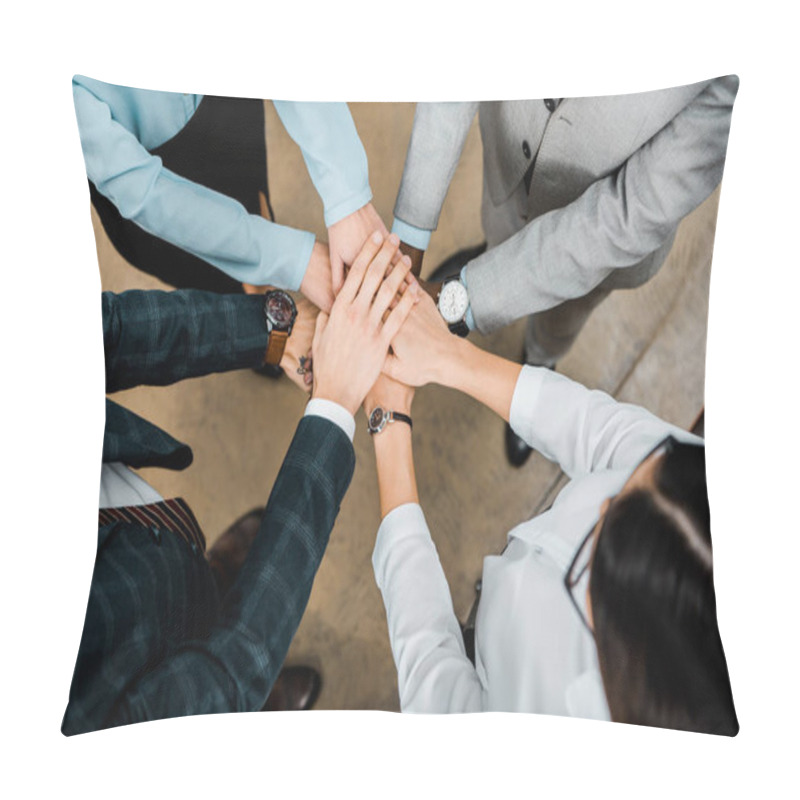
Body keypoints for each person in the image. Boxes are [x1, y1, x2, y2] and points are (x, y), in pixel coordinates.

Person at [62, 233, 419, 734]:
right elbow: (228, 680)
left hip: (142, 555)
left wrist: (273, 330)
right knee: (231, 700)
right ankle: (263, 711)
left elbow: (92, 337)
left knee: (195, 583)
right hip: (186, 708)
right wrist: (334, 406)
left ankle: (211, 574)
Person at [366, 291, 737, 734]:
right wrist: (450, 358)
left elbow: (435, 687)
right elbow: (600, 434)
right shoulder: (699, 503)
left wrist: (387, 417)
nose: (600, 500)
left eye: (609, 522)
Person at [390, 76, 738, 465]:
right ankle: (484, 258)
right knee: (497, 225)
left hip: (600, 241)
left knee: (561, 317)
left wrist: (460, 301)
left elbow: (629, 214)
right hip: (510, 154)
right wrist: (408, 242)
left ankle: (539, 360)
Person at [73, 75, 388, 311]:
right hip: (147, 184)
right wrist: (295, 260)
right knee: (219, 283)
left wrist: (347, 200)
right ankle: (265, 339)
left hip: (223, 96)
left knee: (255, 199)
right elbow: (143, 193)